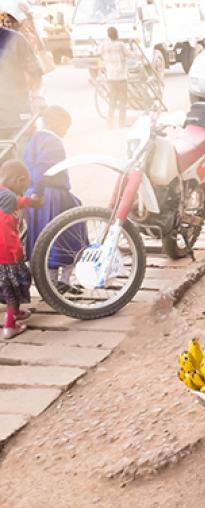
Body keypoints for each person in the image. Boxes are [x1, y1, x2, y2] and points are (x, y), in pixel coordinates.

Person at [23, 105, 84, 261]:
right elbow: (43, 167)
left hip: (33, 192)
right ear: (57, 123)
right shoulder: (52, 141)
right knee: (72, 227)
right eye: (65, 127)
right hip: (49, 194)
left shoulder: (34, 139)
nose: (65, 132)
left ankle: (46, 273)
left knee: (40, 236)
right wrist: (39, 191)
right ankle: (62, 276)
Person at [0, 160, 43, 339]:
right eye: (25, 185)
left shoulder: (3, 193)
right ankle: (10, 326)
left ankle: (16, 313)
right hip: (6, 254)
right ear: (19, 180)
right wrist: (17, 252)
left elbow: (20, 203)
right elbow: (28, 202)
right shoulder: (8, 197)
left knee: (10, 287)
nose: (24, 190)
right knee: (13, 291)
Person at [0, 13, 43, 140]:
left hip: (17, 121)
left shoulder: (15, 40)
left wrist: (36, 97)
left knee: (22, 156)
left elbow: (36, 74)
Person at [100, 26, 131, 128]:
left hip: (110, 76)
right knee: (122, 101)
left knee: (112, 101)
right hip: (121, 76)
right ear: (117, 34)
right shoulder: (121, 45)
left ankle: (110, 123)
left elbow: (100, 54)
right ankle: (122, 123)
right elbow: (128, 54)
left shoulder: (104, 45)